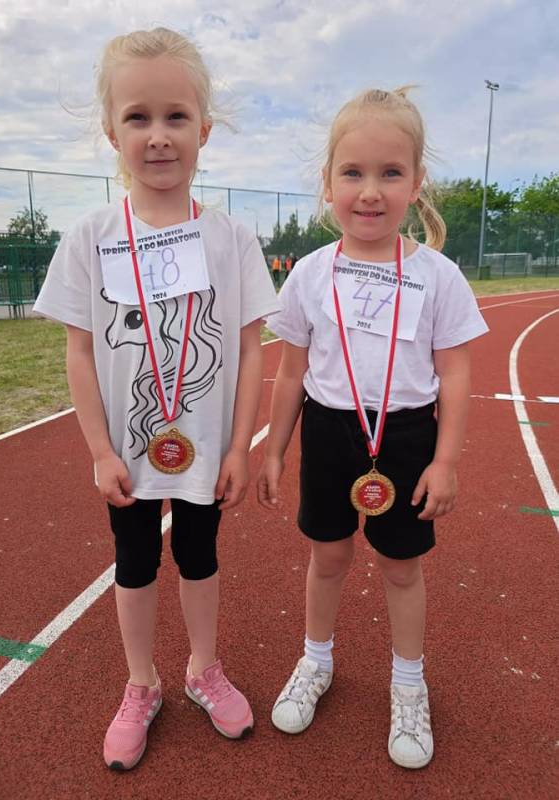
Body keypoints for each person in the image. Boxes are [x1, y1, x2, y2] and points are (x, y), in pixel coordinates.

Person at [34, 27, 278, 770]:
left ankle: (203, 668)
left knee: (199, 555)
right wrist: (100, 450)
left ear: (204, 128)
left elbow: (250, 349)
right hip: (128, 450)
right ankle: (140, 682)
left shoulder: (232, 239)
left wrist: (239, 446)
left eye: (176, 116)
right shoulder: (91, 236)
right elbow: (80, 352)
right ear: (112, 132)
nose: (158, 135)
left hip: (205, 445)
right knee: (134, 560)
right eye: (138, 117)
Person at [258, 87, 488, 769]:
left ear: (416, 184)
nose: (369, 191)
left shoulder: (438, 276)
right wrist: (273, 450)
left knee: (400, 567)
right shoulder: (309, 274)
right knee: (327, 557)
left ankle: (408, 683)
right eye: (352, 172)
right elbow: (290, 372)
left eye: (390, 173)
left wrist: (444, 461)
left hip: (407, 437)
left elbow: (455, 375)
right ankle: (316, 660)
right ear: (327, 183)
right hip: (330, 434)